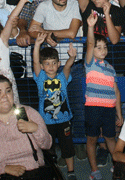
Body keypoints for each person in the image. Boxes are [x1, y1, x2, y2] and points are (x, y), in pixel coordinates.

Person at [0, 74, 53, 179]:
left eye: (8, 91)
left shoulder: (29, 114)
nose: (5, 96)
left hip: (34, 172)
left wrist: (36, 129)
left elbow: (47, 144)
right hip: (1, 176)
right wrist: (4, 168)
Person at [32, 35, 77, 179]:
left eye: (53, 63)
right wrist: (37, 44)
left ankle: (71, 172)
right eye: (47, 63)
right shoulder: (41, 78)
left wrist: (72, 57)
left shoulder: (63, 77)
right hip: (46, 121)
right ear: (42, 66)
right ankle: (52, 171)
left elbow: (69, 66)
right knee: (48, 148)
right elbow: (35, 61)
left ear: (58, 64)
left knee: (67, 147)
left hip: (64, 120)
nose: (50, 66)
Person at [85, 10, 123, 180]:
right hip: (93, 108)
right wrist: (90, 27)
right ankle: (94, 170)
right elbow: (90, 43)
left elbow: (116, 91)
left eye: (105, 47)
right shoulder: (90, 63)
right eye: (98, 48)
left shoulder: (110, 68)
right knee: (92, 139)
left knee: (110, 138)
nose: (102, 50)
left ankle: (117, 167)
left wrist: (119, 114)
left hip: (109, 109)